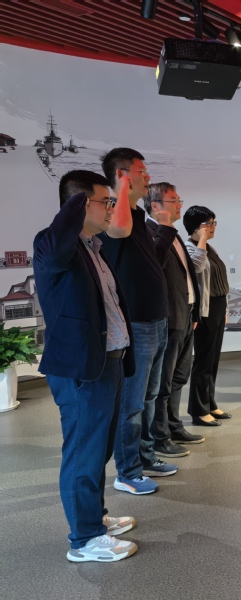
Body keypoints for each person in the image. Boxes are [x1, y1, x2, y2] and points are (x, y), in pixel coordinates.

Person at [33, 170, 137, 562]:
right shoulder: (51, 244)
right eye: (105, 202)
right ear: (79, 204)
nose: (112, 209)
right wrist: (75, 205)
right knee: (83, 452)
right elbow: (58, 245)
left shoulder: (94, 248)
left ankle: (94, 517)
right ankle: (84, 539)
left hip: (107, 363)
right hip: (81, 369)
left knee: (99, 449)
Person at [99, 148, 178, 495]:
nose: (148, 177)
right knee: (132, 404)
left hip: (156, 320)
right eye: (141, 172)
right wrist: (120, 189)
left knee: (148, 398)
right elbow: (117, 230)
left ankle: (145, 458)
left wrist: (164, 228)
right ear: (122, 174)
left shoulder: (136, 218)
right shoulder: (115, 217)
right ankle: (127, 471)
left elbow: (154, 261)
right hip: (138, 324)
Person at [143, 183, 204, 454]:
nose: (180, 205)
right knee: (162, 383)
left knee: (179, 377)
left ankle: (173, 426)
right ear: (156, 205)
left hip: (185, 314)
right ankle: (160, 437)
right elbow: (155, 268)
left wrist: (194, 311)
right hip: (168, 318)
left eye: (180, 199)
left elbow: (188, 277)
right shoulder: (149, 233)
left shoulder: (174, 235)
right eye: (174, 200)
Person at [184, 206, 232, 425]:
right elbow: (197, 267)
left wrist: (225, 309)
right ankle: (199, 410)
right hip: (205, 309)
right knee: (203, 360)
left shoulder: (209, 248)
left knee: (213, 359)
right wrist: (201, 239)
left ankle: (210, 403)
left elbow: (220, 280)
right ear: (196, 226)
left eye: (214, 222)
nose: (213, 227)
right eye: (208, 223)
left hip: (218, 306)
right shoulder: (190, 248)